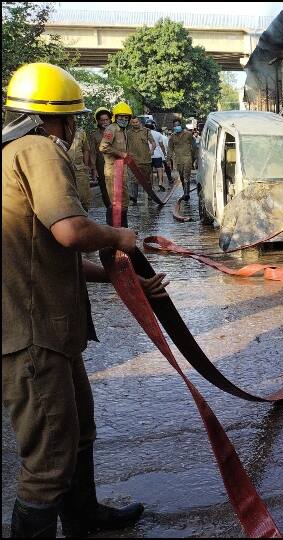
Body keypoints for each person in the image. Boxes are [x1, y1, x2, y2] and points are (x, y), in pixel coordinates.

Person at [2, 62, 169, 538]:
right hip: (33, 337)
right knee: (48, 459)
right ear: (64, 118)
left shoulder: (11, 153)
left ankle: (84, 517)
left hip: (51, 331)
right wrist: (120, 236)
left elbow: (47, 254)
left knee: (78, 431)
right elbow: (72, 231)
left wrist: (119, 281)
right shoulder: (37, 150)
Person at [99, 102, 132, 226]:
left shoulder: (123, 131)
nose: (123, 119)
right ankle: (114, 229)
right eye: (121, 117)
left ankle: (123, 228)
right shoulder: (111, 129)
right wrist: (120, 153)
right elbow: (103, 147)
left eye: (126, 117)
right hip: (113, 170)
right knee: (116, 201)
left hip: (122, 170)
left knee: (124, 200)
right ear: (115, 117)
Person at [126, 115, 156, 204]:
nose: (135, 124)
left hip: (145, 159)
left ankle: (150, 195)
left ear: (139, 122)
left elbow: (153, 142)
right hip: (133, 160)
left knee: (147, 179)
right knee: (133, 179)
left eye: (136, 122)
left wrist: (152, 149)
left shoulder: (146, 131)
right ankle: (134, 197)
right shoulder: (128, 133)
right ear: (131, 123)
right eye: (133, 123)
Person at [89, 107, 112, 208]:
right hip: (101, 165)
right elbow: (92, 153)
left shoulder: (116, 132)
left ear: (110, 120)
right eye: (102, 120)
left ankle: (118, 208)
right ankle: (109, 207)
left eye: (107, 119)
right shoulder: (94, 135)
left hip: (115, 165)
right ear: (98, 121)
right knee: (104, 188)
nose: (105, 122)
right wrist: (94, 168)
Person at [168, 118, 196, 201]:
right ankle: (185, 192)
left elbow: (194, 146)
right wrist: (168, 159)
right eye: (175, 126)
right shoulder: (172, 137)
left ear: (181, 125)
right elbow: (170, 148)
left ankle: (187, 194)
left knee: (186, 175)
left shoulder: (188, 134)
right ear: (173, 127)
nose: (177, 127)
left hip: (187, 158)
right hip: (178, 159)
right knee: (182, 177)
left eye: (178, 125)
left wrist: (194, 157)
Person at [68, 124, 92, 211]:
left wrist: (85, 165)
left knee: (84, 197)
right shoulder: (58, 130)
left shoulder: (81, 132)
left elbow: (86, 149)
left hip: (79, 168)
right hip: (64, 168)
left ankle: (84, 216)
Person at [146, 121, 168, 191]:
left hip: (148, 154)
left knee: (150, 171)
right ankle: (160, 182)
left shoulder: (144, 133)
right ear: (154, 126)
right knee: (159, 168)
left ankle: (151, 185)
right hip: (157, 154)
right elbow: (161, 145)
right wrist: (164, 153)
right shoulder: (158, 134)